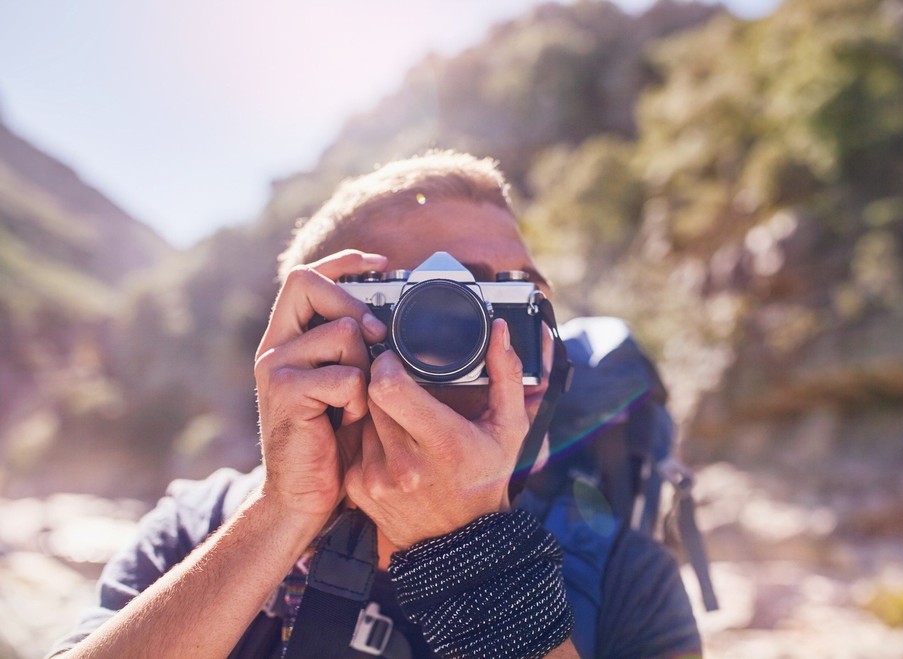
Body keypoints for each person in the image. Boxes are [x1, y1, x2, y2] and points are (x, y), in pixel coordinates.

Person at [49, 151, 702, 658]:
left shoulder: (619, 570)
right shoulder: (201, 531)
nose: (496, 346)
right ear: (317, 331)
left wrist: (477, 557)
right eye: (444, 308)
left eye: (520, 306)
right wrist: (281, 515)